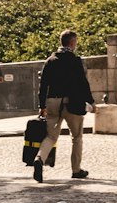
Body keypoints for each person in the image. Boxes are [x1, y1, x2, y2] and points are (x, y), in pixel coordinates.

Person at [33, 30, 95, 183]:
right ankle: (76, 170)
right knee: (77, 137)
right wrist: (91, 102)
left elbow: (43, 86)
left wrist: (42, 105)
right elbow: (83, 83)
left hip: (53, 102)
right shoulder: (75, 61)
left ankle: (39, 159)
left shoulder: (50, 60)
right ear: (72, 43)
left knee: (51, 136)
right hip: (72, 103)